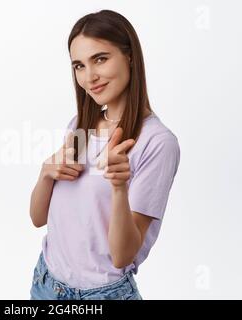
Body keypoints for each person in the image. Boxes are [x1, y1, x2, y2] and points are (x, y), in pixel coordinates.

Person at [29, 9, 180, 300]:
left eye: (100, 59)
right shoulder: (79, 126)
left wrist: (119, 188)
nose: (90, 77)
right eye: (79, 66)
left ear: (130, 57)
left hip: (103, 295)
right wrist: (45, 172)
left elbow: (122, 255)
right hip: (46, 283)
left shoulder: (158, 142)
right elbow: (38, 219)